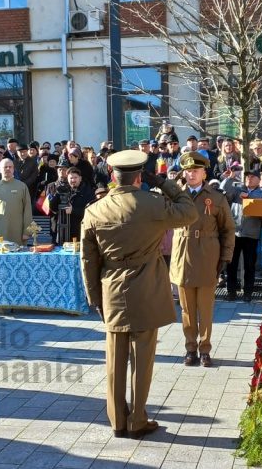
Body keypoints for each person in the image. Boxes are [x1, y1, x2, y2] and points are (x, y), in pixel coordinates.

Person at [80, 150, 198, 440]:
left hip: (111, 288)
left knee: (115, 359)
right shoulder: (153, 204)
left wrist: (94, 297)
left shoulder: (95, 210)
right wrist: (163, 183)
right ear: (139, 177)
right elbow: (189, 211)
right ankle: (137, 420)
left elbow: (88, 260)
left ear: (112, 176)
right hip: (146, 288)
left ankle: (117, 421)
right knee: (142, 359)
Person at [170, 152, 235, 368]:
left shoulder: (216, 198)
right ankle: (190, 348)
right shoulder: (176, 196)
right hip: (183, 256)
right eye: (188, 171)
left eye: (195, 170)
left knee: (206, 307)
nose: (191, 174)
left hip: (208, 257)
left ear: (204, 173)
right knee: (187, 308)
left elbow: (228, 230)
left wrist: (225, 257)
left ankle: (205, 348)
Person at [226, 171, 262, 303]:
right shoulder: (237, 190)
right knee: (231, 264)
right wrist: (229, 178)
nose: (249, 179)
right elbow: (224, 191)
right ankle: (231, 292)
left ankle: (248, 293)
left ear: (258, 180)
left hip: (251, 234)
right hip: (235, 233)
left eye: (252, 177)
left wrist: (249, 199)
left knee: (250, 265)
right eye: (247, 177)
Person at [0, 158, 32, 246]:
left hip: (18, 232)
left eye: (10, 167)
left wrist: (27, 232)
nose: (8, 169)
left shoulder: (22, 186)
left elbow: (27, 210)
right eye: (5, 167)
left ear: (13, 169)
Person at [50, 167, 95, 243]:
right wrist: (57, 194)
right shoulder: (63, 190)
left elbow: (91, 212)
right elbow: (52, 207)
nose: (73, 180)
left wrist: (73, 210)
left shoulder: (88, 192)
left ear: (80, 178)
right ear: (67, 179)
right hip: (63, 232)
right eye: (71, 178)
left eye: (75, 178)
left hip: (80, 231)